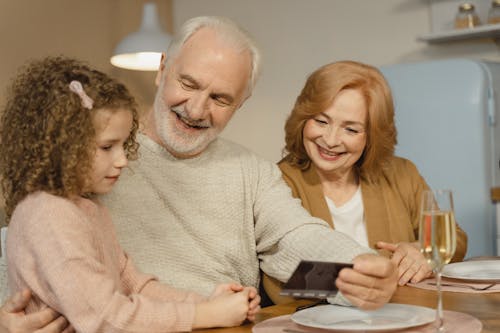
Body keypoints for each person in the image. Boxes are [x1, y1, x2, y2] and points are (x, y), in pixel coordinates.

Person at [0, 16, 398, 331]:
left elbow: (294, 242)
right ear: (162, 69)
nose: (196, 109)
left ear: (242, 102)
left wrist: (359, 268)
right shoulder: (88, 159)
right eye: (188, 83)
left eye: (220, 98)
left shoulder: (250, 172)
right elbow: (26, 248)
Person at [0, 56, 260, 332]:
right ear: (62, 147)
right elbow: (105, 317)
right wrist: (205, 316)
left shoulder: (88, 209)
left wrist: (205, 304)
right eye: (107, 147)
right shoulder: (48, 215)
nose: (123, 159)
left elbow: (133, 284)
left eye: (124, 145)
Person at [262, 60, 468, 304]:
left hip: (402, 317)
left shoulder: (402, 173)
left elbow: (454, 238)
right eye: (321, 121)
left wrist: (423, 254)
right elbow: (276, 280)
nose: (330, 139)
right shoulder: (275, 182)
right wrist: (361, 284)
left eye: (350, 129)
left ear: (372, 136)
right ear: (303, 118)